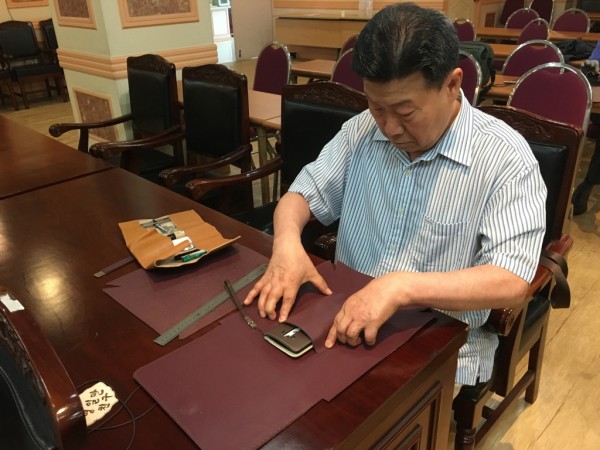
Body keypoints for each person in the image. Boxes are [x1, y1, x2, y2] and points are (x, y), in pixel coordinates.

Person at [244, 3, 547, 389]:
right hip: (346, 316)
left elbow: (510, 280)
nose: (389, 128)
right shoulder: (360, 131)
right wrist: (287, 244)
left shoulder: (504, 158)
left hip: (440, 344)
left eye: (406, 112)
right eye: (376, 107)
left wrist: (401, 287)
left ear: (452, 84)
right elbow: (301, 195)